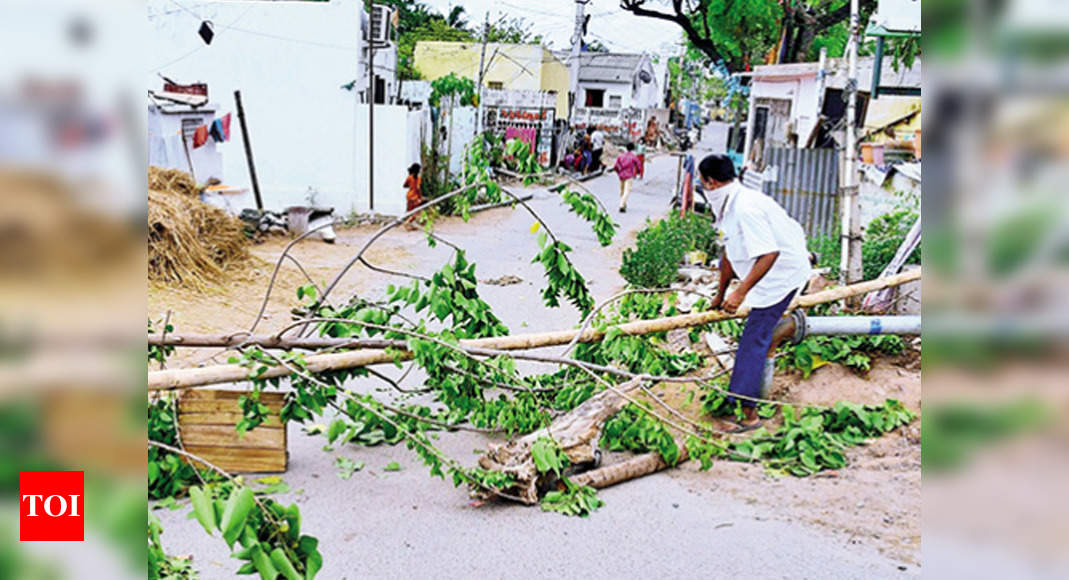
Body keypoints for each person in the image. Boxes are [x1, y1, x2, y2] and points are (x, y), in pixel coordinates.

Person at [698, 154, 811, 432]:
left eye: (702, 183)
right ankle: (738, 398)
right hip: (764, 273)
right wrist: (721, 292)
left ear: (711, 183)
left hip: (782, 274)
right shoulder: (728, 205)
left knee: (753, 338)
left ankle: (749, 416)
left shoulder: (746, 207)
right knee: (753, 335)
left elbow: (770, 253)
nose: (702, 187)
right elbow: (729, 251)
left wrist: (740, 292)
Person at [613, 142, 641, 213]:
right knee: (627, 191)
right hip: (629, 175)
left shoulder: (621, 156)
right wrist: (638, 171)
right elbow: (638, 165)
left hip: (621, 175)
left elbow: (615, 166)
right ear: (633, 148)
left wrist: (618, 172)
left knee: (622, 190)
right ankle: (622, 205)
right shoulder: (633, 157)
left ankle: (623, 203)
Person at [403, 163, 423, 231]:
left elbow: (404, 185)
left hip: (409, 195)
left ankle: (410, 225)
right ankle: (407, 223)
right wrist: (420, 197)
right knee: (416, 212)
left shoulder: (409, 177)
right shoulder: (418, 178)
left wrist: (411, 186)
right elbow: (418, 188)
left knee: (410, 211)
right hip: (415, 196)